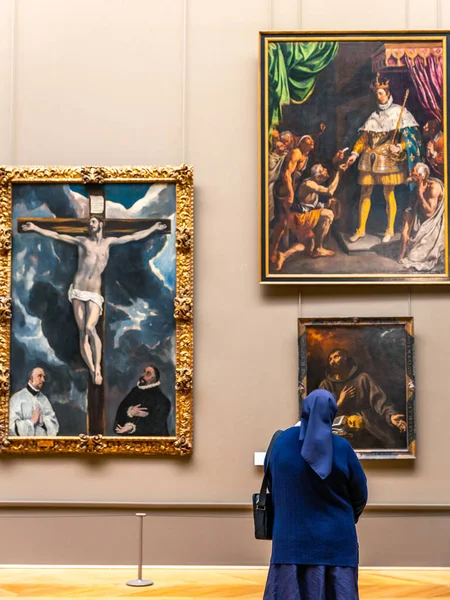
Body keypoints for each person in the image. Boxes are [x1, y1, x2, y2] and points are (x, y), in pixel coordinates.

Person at [22, 216, 167, 386]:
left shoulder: (109, 242)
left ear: (100, 224)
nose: (90, 225)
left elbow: (134, 236)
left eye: (93, 222)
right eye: (89, 222)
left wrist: (154, 228)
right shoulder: (82, 241)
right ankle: (92, 369)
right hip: (78, 290)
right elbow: (58, 236)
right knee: (83, 331)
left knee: (91, 328)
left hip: (94, 293)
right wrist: (35, 227)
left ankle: (97, 367)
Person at [263, 390, 368, 600]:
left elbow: (271, 482)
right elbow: (360, 494)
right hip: (336, 540)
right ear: (332, 412)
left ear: (305, 409)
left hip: (290, 539)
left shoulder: (280, 442)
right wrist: (345, 518)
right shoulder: (342, 447)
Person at [345, 73, 423, 244]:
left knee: (389, 194)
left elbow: (409, 138)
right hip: (369, 159)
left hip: (388, 159)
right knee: (365, 193)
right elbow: (364, 138)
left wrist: (400, 146)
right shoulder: (373, 115)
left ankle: (389, 230)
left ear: (388, 94)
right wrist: (354, 154)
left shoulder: (399, 111)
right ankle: (361, 229)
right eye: (376, 93)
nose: (378, 96)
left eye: (380, 93)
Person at [319, 348, 407, 449]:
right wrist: (340, 401)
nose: (332, 361)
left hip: (367, 427)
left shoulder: (363, 379)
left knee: (387, 445)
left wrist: (391, 416)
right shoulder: (326, 385)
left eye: (336, 356)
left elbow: (380, 402)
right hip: (339, 432)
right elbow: (322, 415)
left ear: (346, 358)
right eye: (330, 359)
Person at [273, 163, 345, 270]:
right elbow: (330, 191)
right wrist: (339, 172)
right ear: (318, 175)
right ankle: (318, 248)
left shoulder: (313, 187)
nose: (326, 170)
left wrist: (326, 204)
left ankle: (284, 256)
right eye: (323, 169)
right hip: (299, 218)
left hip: (301, 218)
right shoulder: (309, 184)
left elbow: (310, 206)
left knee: (307, 246)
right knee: (328, 215)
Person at [399, 162, 445, 271]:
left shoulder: (433, 188)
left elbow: (429, 213)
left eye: (413, 172)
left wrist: (420, 194)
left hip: (434, 224)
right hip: (421, 220)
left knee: (413, 257)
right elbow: (411, 207)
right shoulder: (416, 186)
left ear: (421, 176)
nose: (410, 174)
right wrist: (406, 225)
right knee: (405, 237)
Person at [114, 365, 171, 436]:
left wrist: (132, 428)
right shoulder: (135, 391)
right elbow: (121, 410)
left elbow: (155, 427)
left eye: (148, 374)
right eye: (144, 372)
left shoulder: (162, 401)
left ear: (154, 379)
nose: (143, 375)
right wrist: (130, 411)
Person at [9, 368, 59, 437]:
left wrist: (43, 422)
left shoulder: (44, 399)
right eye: (40, 376)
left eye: (43, 377)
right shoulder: (17, 398)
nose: (43, 380)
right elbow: (11, 427)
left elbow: (54, 424)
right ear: (31, 378)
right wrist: (31, 422)